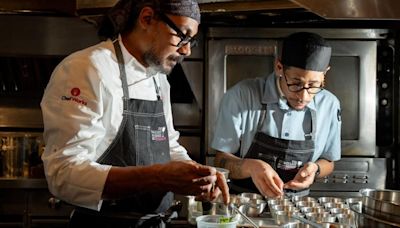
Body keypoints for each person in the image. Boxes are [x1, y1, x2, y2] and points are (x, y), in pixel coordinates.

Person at [40, 0, 229, 227]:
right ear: (147, 18)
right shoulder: (88, 69)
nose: (186, 49)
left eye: (191, 41)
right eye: (182, 35)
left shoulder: (159, 78)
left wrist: (197, 174)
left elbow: (166, 144)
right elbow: (63, 174)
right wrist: (158, 177)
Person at [212, 32, 341, 198]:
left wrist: (315, 169)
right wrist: (251, 167)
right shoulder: (242, 95)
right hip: (247, 204)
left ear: (325, 73)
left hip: (295, 208)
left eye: (314, 85)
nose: (304, 96)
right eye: (296, 83)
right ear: (279, 67)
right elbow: (221, 161)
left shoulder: (330, 104)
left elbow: (329, 162)